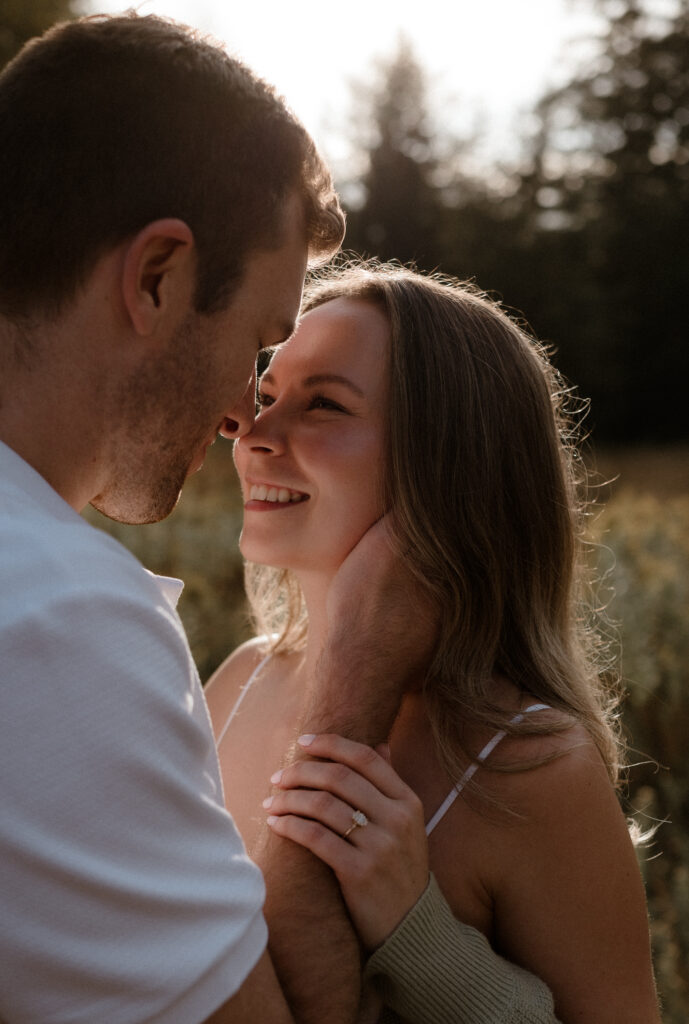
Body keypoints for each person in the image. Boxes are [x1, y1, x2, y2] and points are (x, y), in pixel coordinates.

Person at [0, 14, 442, 1024]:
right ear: (157, 278)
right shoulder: (42, 620)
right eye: (257, 339)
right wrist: (350, 692)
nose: (246, 409)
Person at [205, 262, 662, 1023]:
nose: (253, 435)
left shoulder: (529, 765)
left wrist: (415, 933)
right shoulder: (241, 679)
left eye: (322, 404)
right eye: (265, 395)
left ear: (450, 460)